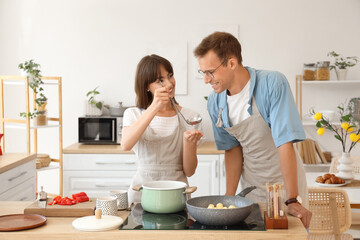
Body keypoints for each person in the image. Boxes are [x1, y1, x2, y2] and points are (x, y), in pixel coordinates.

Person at [194, 32, 312, 229]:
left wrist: (292, 199)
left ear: (231, 63)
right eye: (203, 73)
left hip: (285, 182)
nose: (206, 80)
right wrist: (230, 199)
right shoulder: (216, 102)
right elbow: (232, 149)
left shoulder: (272, 84)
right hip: (251, 185)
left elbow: (284, 142)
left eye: (210, 72)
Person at [121, 54, 204, 204]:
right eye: (160, 80)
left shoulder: (190, 117)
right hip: (142, 195)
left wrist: (189, 143)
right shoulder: (133, 114)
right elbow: (125, 145)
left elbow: (190, 171)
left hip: (177, 196)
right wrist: (154, 107)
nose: (169, 83)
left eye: (170, 76)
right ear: (147, 86)